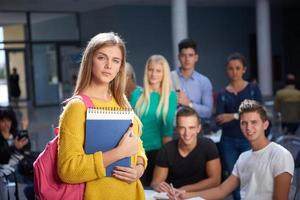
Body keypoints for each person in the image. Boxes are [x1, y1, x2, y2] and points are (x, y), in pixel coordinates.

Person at [57, 32, 147, 200]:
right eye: (101, 58)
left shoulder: (121, 102)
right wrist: (119, 153)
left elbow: (137, 145)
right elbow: (68, 170)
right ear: (89, 60)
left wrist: (139, 168)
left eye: (115, 60)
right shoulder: (77, 107)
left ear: (121, 66)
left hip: (132, 194)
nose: (108, 66)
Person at [169, 100, 294, 200]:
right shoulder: (244, 157)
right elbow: (221, 191)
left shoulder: (280, 155)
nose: (248, 128)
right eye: (243, 123)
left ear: (265, 124)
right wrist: (184, 195)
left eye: (254, 122)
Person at [215, 52, 262, 200]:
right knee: (234, 178)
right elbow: (220, 118)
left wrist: (233, 116)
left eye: (237, 68)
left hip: (249, 139)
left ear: (244, 69)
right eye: (231, 68)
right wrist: (239, 116)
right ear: (226, 70)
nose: (234, 72)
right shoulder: (222, 93)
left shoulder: (253, 89)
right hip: (228, 140)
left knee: (251, 176)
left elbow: (259, 112)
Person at [130, 55, 177, 186]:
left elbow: (167, 132)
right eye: (151, 70)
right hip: (136, 151)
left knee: (155, 192)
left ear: (164, 74)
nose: (153, 74)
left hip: (159, 152)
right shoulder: (136, 95)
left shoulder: (170, 97)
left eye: (158, 71)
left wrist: (169, 158)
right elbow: (130, 125)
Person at [151, 106, 221, 193]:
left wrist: (183, 190)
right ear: (177, 129)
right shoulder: (167, 149)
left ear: (198, 128)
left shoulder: (208, 146)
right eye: (182, 128)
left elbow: (215, 181)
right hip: (174, 196)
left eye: (191, 128)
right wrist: (158, 186)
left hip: (200, 195)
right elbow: (156, 182)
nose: (187, 133)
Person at [171, 38, 213, 120]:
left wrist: (189, 104)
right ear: (178, 57)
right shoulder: (169, 78)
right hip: (172, 128)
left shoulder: (204, 81)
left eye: (190, 55)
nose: (187, 59)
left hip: (195, 129)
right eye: (183, 55)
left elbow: (208, 112)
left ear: (196, 57)